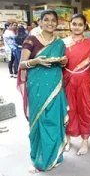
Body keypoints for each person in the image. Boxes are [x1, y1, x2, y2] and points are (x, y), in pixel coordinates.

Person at [17, 10, 69, 173]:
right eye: (46, 20)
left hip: (54, 86)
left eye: (53, 20)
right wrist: (37, 61)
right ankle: (39, 158)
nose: (50, 23)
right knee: (39, 120)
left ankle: (55, 155)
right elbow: (21, 64)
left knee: (53, 119)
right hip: (37, 86)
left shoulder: (59, 43)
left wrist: (63, 61)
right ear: (39, 22)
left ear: (57, 23)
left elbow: (61, 63)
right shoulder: (31, 39)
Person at [63, 14, 90, 155]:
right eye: (74, 24)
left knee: (85, 110)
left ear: (85, 26)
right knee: (68, 109)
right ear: (70, 25)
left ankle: (85, 141)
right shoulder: (62, 43)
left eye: (80, 24)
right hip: (67, 80)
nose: (77, 27)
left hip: (84, 80)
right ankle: (68, 139)